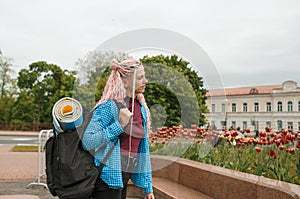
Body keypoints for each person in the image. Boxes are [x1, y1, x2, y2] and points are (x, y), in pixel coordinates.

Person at [82, 56, 155, 199]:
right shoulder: (109, 106)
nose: (145, 81)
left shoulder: (141, 108)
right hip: (106, 177)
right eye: (140, 77)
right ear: (125, 81)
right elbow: (88, 141)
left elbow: (143, 149)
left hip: (125, 173)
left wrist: (148, 187)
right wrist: (119, 125)